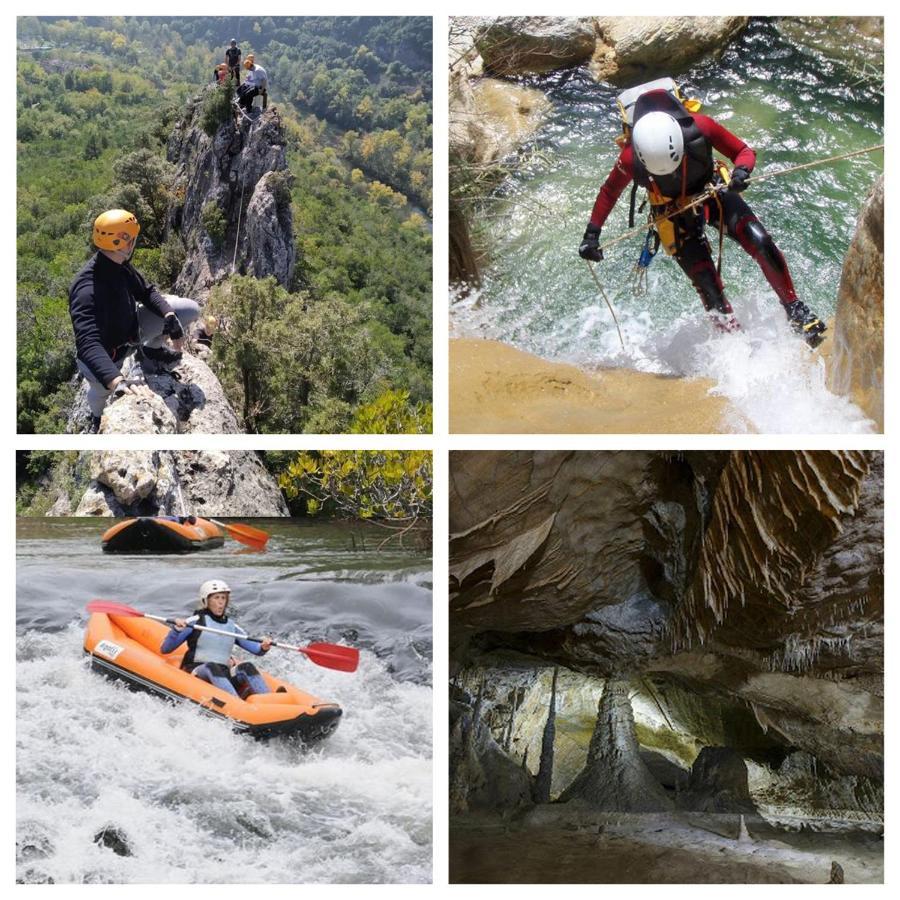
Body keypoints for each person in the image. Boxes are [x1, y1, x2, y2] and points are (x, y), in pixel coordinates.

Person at [578, 80, 826, 347]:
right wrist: (592, 234)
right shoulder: (630, 158)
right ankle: (734, 345)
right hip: (671, 212)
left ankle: (794, 309)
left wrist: (741, 171)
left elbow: (742, 151)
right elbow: (609, 192)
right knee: (708, 286)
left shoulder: (701, 127)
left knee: (761, 242)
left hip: (713, 190)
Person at [68, 209, 201, 432]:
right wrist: (116, 380)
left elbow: (146, 292)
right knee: (100, 393)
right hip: (105, 358)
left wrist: (169, 316)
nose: (134, 243)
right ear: (124, 242)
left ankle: (152, 351)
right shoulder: (85, 289)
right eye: (133, 239)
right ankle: (96, 418)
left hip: (132, 334)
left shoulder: (119, 265)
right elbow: (88, 343)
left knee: (187, 309)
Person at [160, 579, 273, 698]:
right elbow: (166, 649)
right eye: (216, 598)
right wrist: (177, 630)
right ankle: (236, 703)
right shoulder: (194, 622)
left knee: (247, 666)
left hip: (223, 675)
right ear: (206, 600)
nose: (220, 603)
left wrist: (264, 646)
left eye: (223, 598)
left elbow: (256, 650)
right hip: (198, 672)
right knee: (212, 666)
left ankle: (269, 701)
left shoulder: (232, 626)